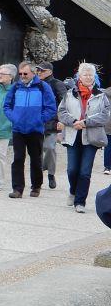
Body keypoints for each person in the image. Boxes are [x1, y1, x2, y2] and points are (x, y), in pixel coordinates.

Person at [58, 63, 110, 213]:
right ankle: (73, 191)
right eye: (84, 75)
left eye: (90, 75)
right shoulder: (69, 94)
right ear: (79, 77)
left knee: (85, 171)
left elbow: (104, 115)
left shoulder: (101, 95)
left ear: (94, 77)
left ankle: (80, 202)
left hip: (91, 137)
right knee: (72, 169)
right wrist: (74, 122)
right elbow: (61, 112)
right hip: (73, 134)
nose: (88, 77)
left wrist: (86, 123)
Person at [3, 61, 57, 198]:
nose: (22, 76)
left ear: (33, 73)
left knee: (36, 159)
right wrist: (14, 118)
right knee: (18, 158)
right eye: (20, 73)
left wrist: (39, 119)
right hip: (18, 129)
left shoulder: (43, 87)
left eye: (25, 73)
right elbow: (7, 106)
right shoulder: (15, 87)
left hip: (35, 129)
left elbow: (51, 108)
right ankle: (17, 189)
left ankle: (36, 186)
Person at [36, 61, 66, 188]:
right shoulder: (34, 84)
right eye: (38, 70)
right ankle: (38, 175)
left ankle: (50, 174)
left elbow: (65, 103)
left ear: (50, 71)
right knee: (36, 151)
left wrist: (61, 121)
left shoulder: (57, 84)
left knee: (49, 148)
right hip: (36, 122)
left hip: (52, 123)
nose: (39, 72)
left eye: (42, 70)